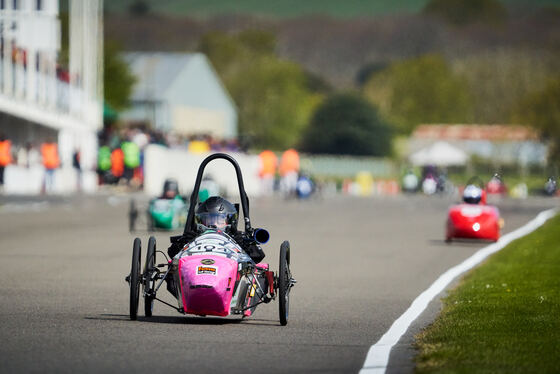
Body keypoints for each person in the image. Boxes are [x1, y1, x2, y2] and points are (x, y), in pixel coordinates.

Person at [167, 196, 265, 263]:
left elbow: (258, 256)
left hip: (228, 272)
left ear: (230, 222)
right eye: (208, 220)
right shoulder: (194, 236)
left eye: (219, 220)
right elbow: (172, 253)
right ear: (200, 221)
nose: (213, 225)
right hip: (195, 269)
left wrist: (243, 245)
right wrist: (184, 242)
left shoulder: (236, 237)